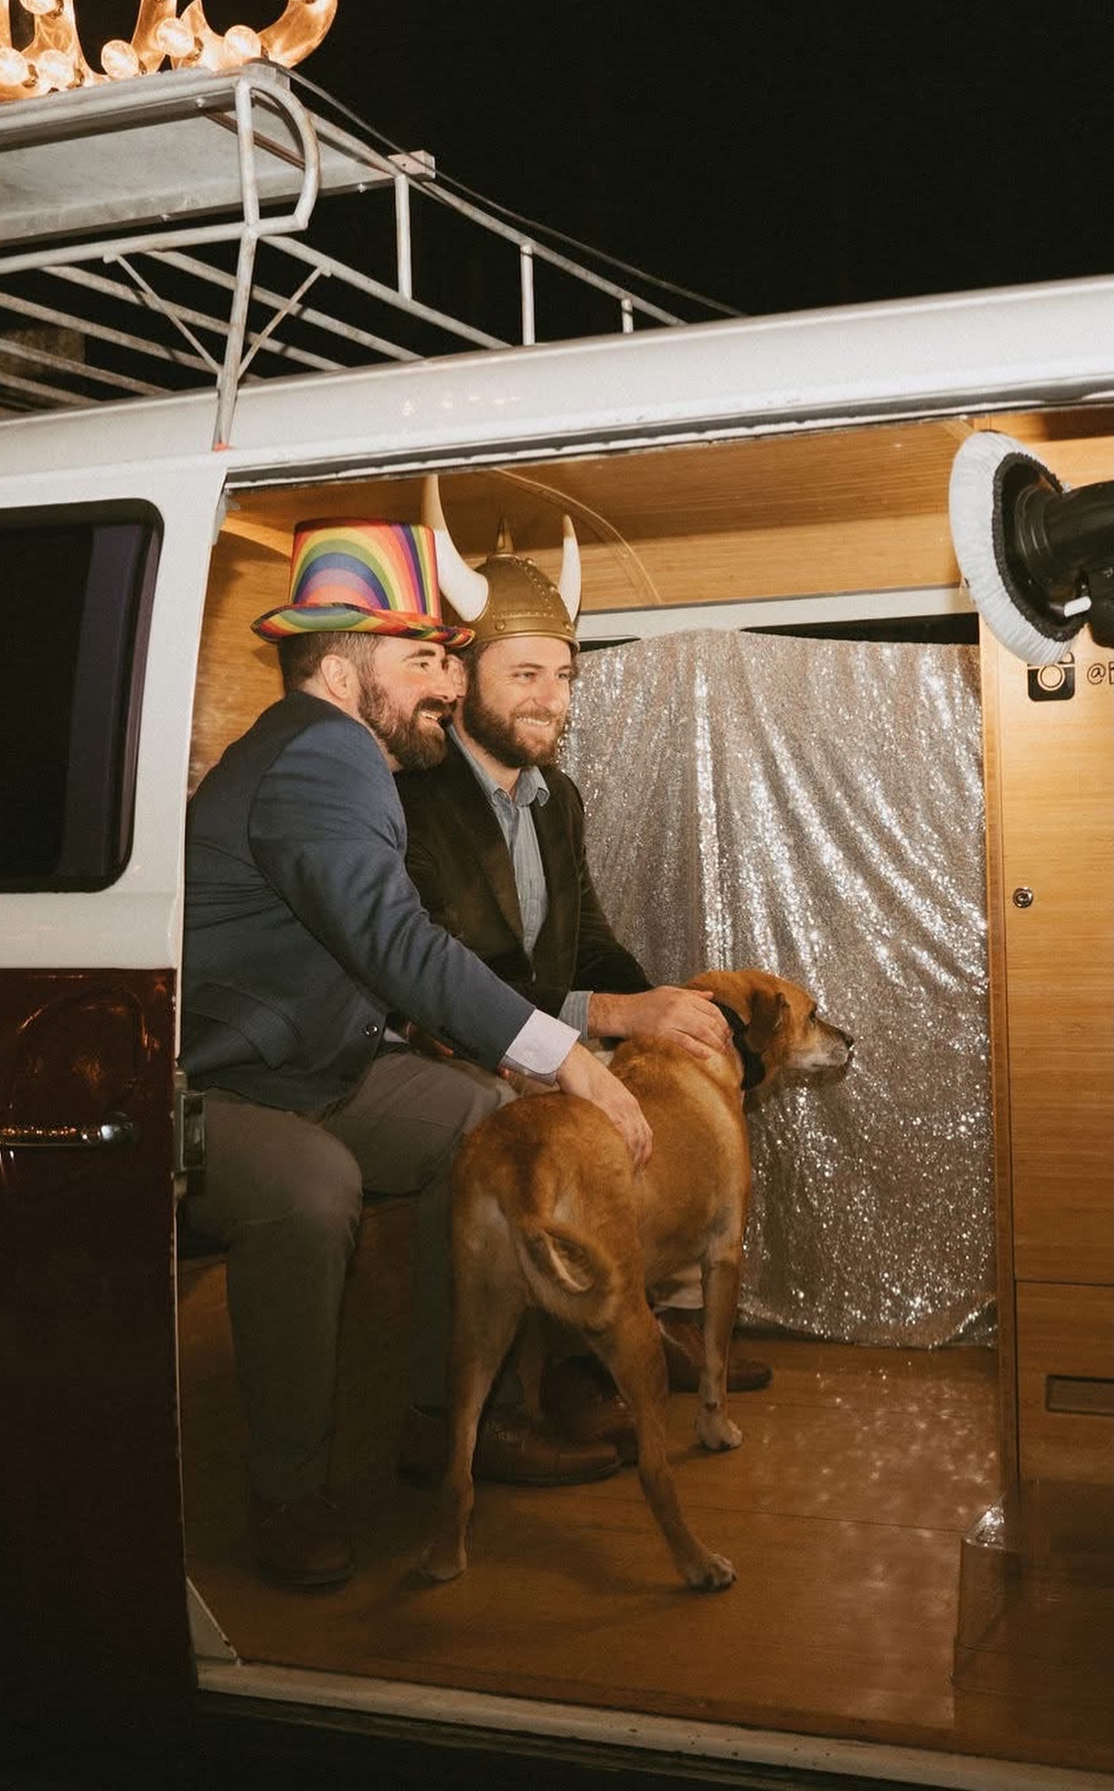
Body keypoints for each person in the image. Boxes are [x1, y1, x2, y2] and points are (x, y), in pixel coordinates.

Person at [179, 517, 652, 1590]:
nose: (447, 681)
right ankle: (287, 1489)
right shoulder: (316, 751)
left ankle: (450, 1423)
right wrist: (569, 1055)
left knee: (478, 1114)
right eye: (426, 656)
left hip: (314, 1067)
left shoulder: (338, 754)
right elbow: (397, 943)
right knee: (313, 1184)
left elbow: (379, 946)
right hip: (219, 1087)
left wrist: (515, 1059)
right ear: (344, 664)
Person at [395, 500, 773, 1456]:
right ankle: (517, 1395)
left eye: (562, 676)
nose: (551, 700)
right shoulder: (410, 801)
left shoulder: (555, 797)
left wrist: (664, 1017)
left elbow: (587, 940)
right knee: (541, 1128)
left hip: (542, 1036)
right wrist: (607, 1013)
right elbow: (451, 980)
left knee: (654, 1100)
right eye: (525, 674)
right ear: (462, 673)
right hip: (449, 1045)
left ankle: (632, 1332)